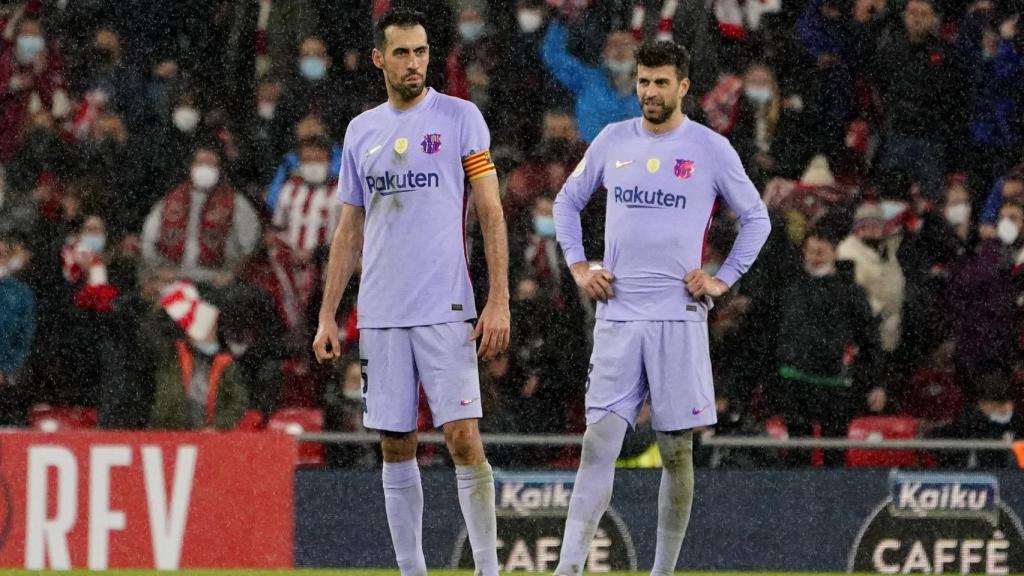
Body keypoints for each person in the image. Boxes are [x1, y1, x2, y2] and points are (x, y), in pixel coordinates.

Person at [552, 40, 770, 575]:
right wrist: (580, 266)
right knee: (597, 443)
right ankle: (568, 568)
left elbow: (757, 219)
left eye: (660, 82)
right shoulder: (611, 140)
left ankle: (662, 571)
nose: (649, 91)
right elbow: (566, 201)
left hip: (678, 318)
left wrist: (721, 280)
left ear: (683, 87)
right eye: (644, 82)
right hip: (620, 316)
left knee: (677, 454)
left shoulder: (710, 148)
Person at [311, 9, 509, 576]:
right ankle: (412, 571)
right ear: (379, 59)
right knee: (395, 442)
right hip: (381, 312)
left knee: (463, 437)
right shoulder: (361, 131)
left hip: (446, 306)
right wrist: (329, 315)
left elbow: (490, 211)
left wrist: (498, 300)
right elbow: (350, 230)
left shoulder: (459, 118)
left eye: (421, 51)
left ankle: (489, 570)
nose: (414, 62)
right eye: (401, 52)